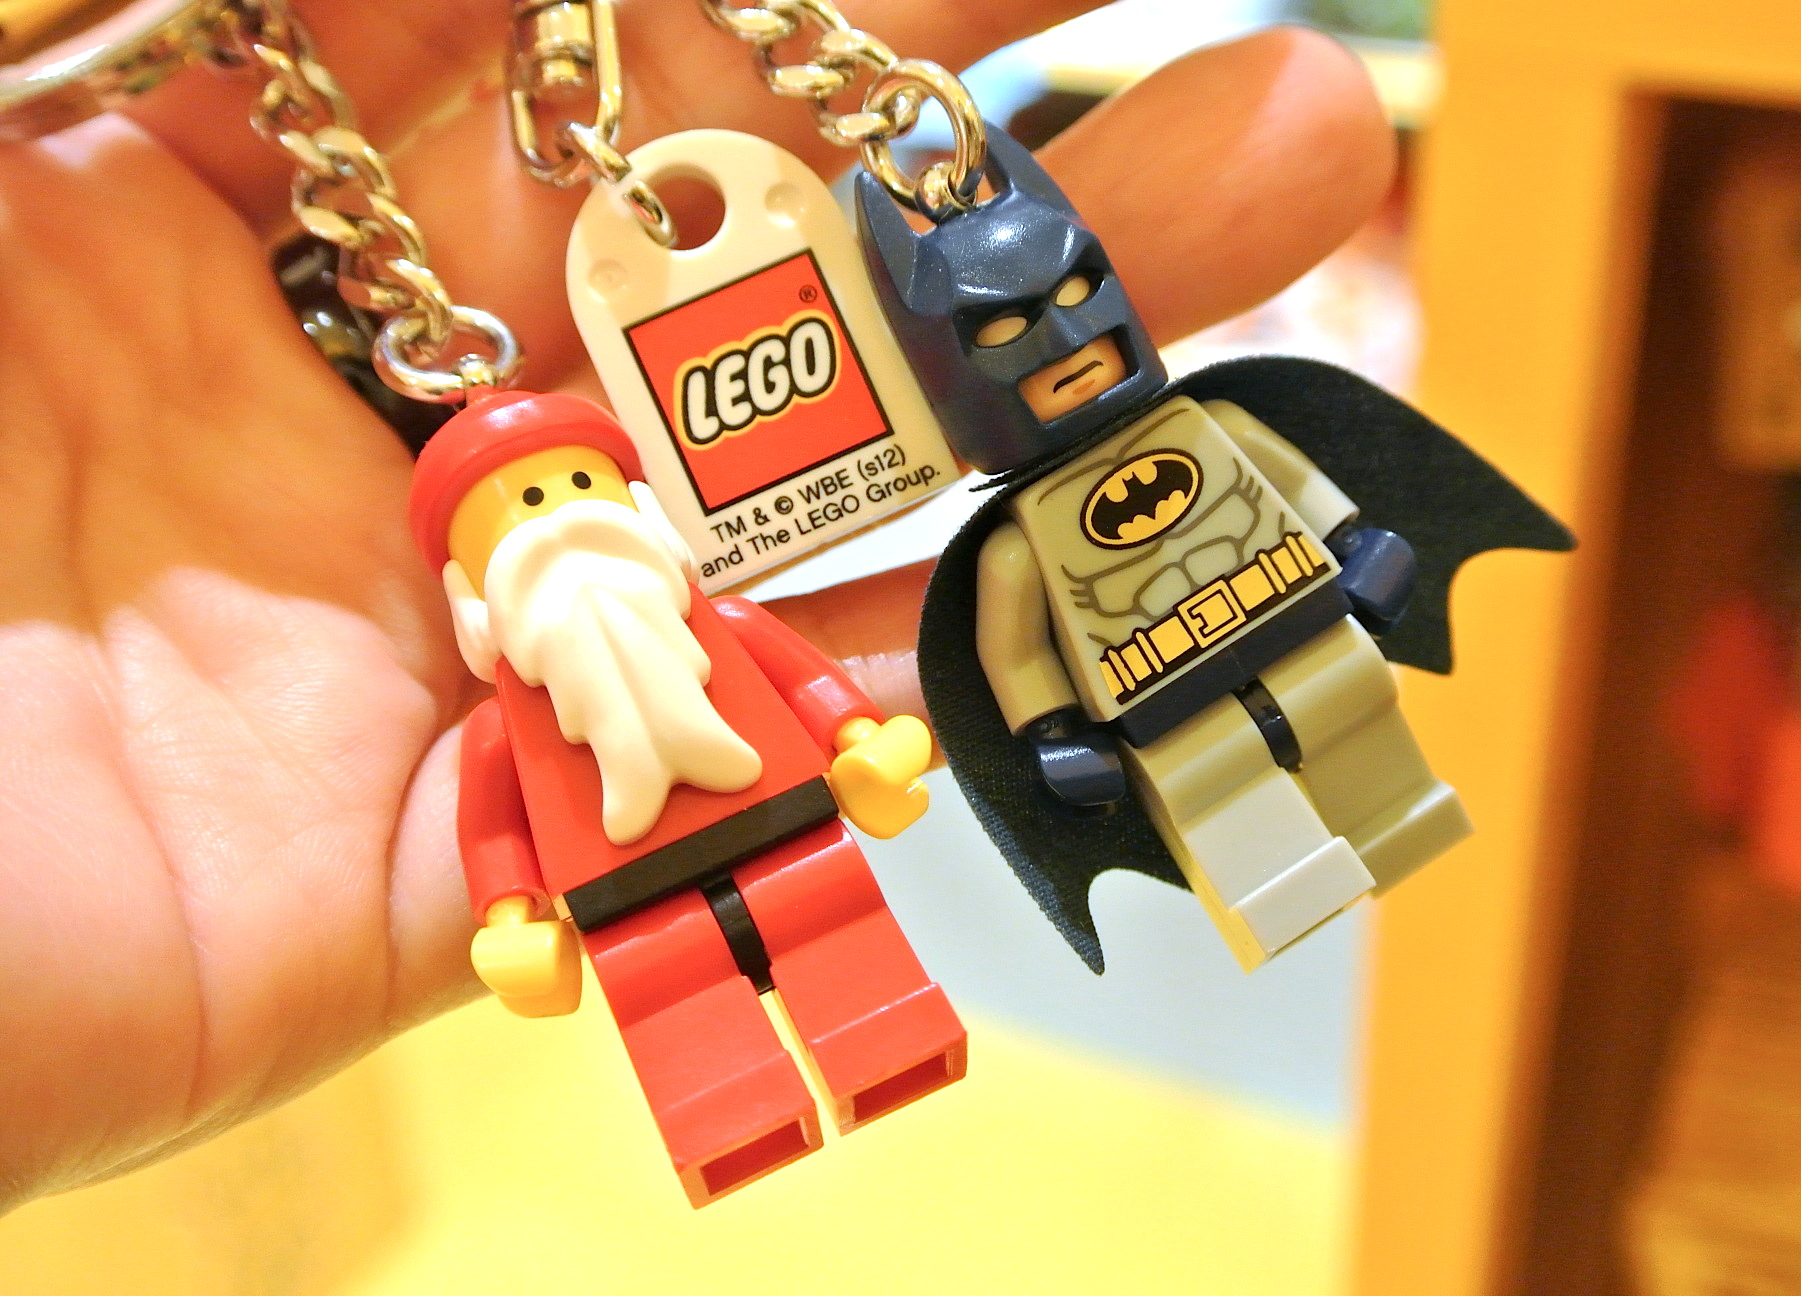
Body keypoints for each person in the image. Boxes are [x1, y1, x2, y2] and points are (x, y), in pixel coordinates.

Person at [0, 0, 1396, 1214]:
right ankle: (731, 1117)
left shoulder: (700, 631)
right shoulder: (517, 714)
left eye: (573, 490)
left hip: (794, 819)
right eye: (518, 513)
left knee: (854, 939)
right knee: (681, 1015)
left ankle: (911, 1031)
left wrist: (856, 740)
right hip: (631, 895)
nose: (559, 530)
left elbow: (798, 675)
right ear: (468, 589)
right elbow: (496, 815)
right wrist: (516, 912)